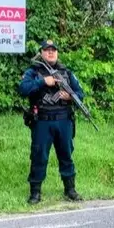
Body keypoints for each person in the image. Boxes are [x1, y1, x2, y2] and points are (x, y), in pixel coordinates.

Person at [18, 39, 85, 204]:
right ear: (41, 53)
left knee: (66, 155)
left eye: (53, 50)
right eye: (47, 50)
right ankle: (35, 192)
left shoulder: (66, 72)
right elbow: (23, 89)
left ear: (57, 53)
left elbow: (80, 94)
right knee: (39, 156)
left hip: (64, 120)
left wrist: (70, 97)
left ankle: (70, 190)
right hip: (42, 121)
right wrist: (43, 81)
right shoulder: (33, 72)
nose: (50, 52)